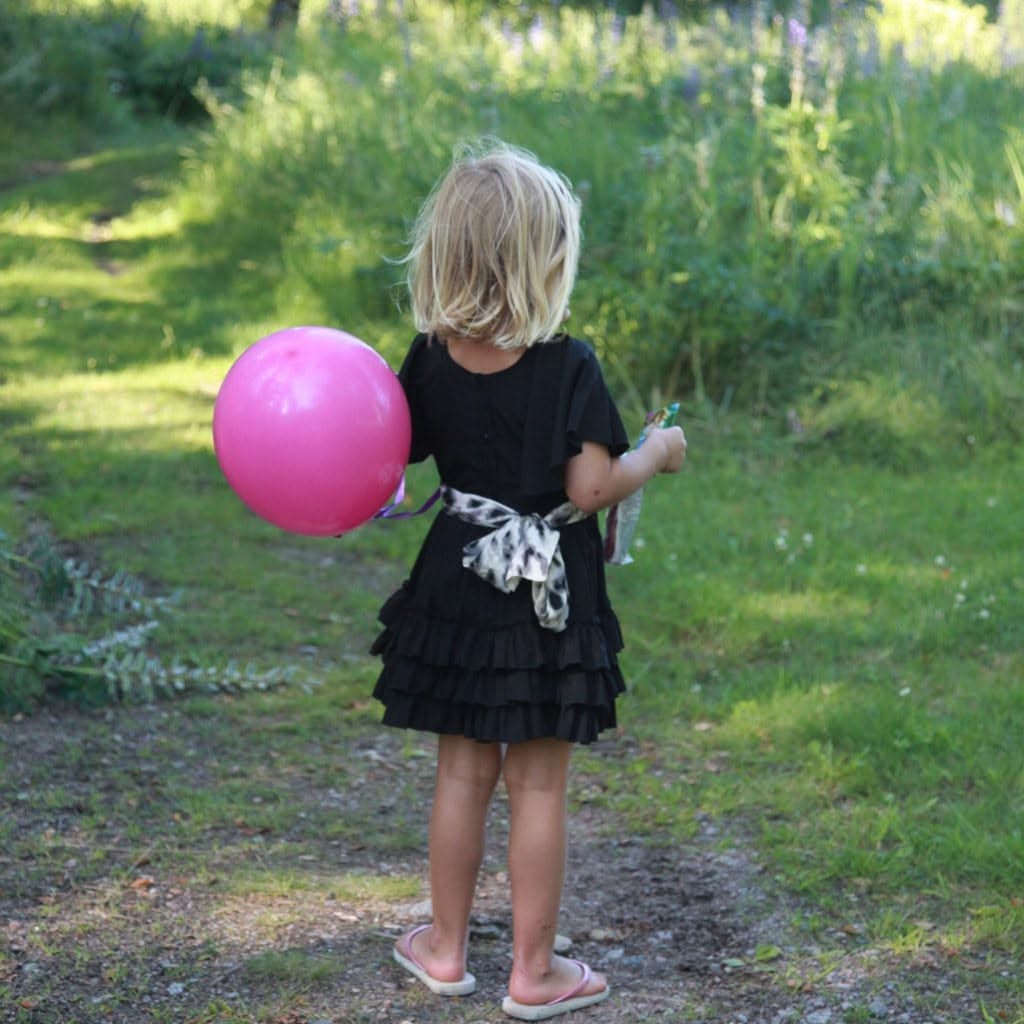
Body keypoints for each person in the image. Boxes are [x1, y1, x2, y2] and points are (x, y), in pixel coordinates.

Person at [371, 139, 687, 1021]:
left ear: (446, 255)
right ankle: (534, 973)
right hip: (547, 591)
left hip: (458, 583)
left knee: (460, 776)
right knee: (537, 786)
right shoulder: (568, 363)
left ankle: (441, 949)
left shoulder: (427, 357)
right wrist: (656, 451)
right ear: (546, 259)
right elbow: (590, 490)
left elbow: (391, 459)